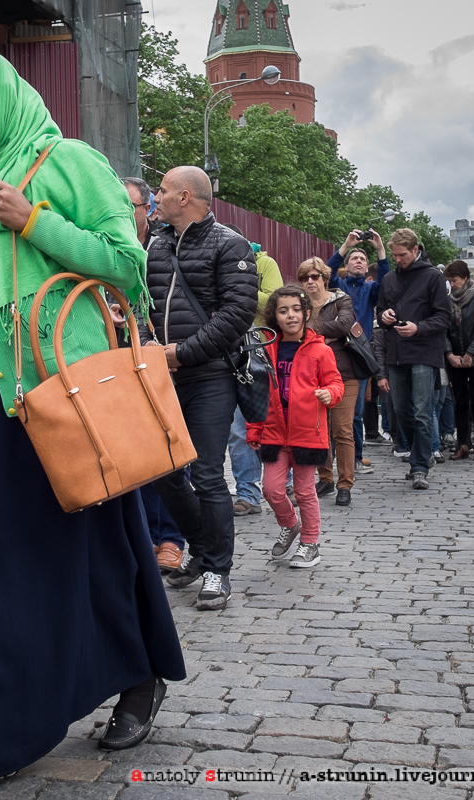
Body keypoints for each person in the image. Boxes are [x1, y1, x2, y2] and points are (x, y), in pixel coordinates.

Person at [0, 48, 184, 800]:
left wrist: (35, 222)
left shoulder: (70, 162)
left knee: (97, 542)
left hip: (61, 388)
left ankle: (137, 678)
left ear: (2, 97)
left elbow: (127, 264)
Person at [144, 168, 259, 611]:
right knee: (165, 473)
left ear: (185, 197)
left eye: (163, 190)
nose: (157, 196)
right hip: (163, 375)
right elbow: (138, 301)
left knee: (208, 474)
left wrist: (178, 354)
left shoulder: (230, 244)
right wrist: (141, 334)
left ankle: (217, 571)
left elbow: (236, 316)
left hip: (210, 375)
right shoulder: (155, 243)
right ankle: (202, 550)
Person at [247, 286, 343, 567]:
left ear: (306, 313)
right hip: (274, 432)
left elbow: (335, 383)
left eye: (296, 310)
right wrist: (255, 428)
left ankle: (310, 543)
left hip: (307, 433)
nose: (290, 315)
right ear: (274, 316)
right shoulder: (265, 350)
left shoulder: (321, 350)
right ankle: (290, 524)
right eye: (283, 310)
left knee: (304, 491)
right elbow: (257, 392)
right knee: (271, 488)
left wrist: (330, 394)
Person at [122, 177, 185, 571]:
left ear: (149, 209)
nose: (123, 212)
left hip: (163, 361)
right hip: (113, 364)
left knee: (166, 454)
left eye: (130, 205)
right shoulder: (101, 242)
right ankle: (141, 536)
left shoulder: (167, 246)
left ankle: (171, 539)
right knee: (130, 456)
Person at [376, 229, 451, 490]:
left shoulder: (433, 277)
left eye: (403, 254)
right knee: (401, 410)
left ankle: (419, 465)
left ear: (416, 250)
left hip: (423, 351)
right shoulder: (388, 279)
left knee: (422, 411)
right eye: (395, 255)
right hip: (396, 353)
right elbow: (380, 309)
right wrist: (384, 316)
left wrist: (418, 328)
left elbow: (444, 317)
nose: (398, 259)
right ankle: (421, 455)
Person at [222, 224, 283, 517]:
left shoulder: (264, 263)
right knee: (237, 430)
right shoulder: (211, 267)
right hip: (225, 354)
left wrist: (239, 289)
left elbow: (274, 301)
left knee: (269, 422)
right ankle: (247, 493)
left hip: (260, 353)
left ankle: (285, 483)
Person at [327, 230, 390, 473]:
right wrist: (345, 246)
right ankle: (329, 459)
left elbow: (385, 282)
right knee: (333, 410)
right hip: (335, 352)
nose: (359, 261)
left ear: (367, 268)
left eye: (363, 259)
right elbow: (327, 271)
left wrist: (380, 250)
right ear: (348, 264)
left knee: (356, 412)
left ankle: (355, 457)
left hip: (360, 354)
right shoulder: (338, 285)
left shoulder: (370, 290)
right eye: (355, 258)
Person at [298, 257, 358, 506]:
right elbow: (291, 329)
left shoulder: (341, 299)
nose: (310, 281)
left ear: (324, 278)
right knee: (318, 429)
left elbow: (345, 324)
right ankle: (325, 479)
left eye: (315, 276)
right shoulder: (299, 304)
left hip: (344, 373)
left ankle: (345, 484)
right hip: (311, 376)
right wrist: (326, 333)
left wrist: (311, 331)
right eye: (305, 278)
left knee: (342, 430)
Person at [442, 261, 474, 460]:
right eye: (449, 281)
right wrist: (449, 354)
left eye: (454, 280)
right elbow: (443, 329)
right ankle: (462, 442)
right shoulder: (446, 300)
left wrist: (471, 353)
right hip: (454, 354)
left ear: (465, 278)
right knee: (460, 400)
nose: (452, 284)